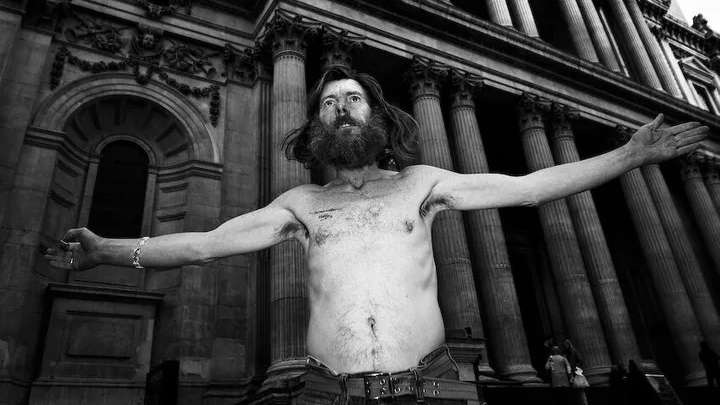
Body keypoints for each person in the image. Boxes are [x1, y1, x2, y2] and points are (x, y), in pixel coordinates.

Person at [43, 67, 709, 404]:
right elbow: (203, 243)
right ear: (317, 127)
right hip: (328, 392)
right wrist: (108, 249)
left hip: (431, 388)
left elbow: (530, 187)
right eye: (328, 102)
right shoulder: (300, 201)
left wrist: (628, 156)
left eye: (351, 98)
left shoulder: (422, 182)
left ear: (377, 116)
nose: (339, 107)